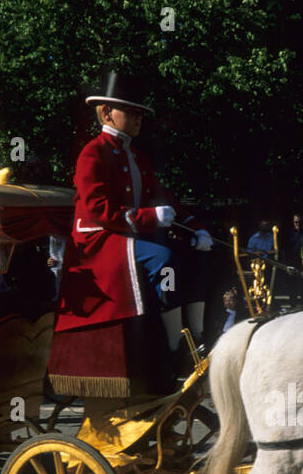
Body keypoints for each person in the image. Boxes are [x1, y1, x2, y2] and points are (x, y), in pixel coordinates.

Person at [52, 72, 212, 396]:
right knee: (164, 259)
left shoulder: (136, 155)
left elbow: (165, 197)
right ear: (107, 113)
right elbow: (100, 211)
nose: (138, 118)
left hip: (131, 237)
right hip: (97, 243)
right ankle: (175, 349)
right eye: (131, 112)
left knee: (196, 256)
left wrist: (197, 228)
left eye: (140, 113)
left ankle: (197, 337)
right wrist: (151, 218)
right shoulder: (92, 153)